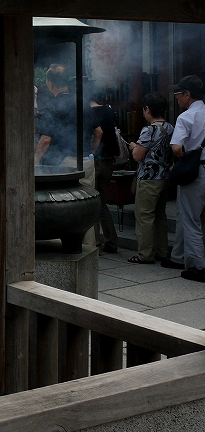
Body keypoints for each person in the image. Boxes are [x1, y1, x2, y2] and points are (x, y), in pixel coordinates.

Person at [128, 92, 174, 265]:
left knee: (145, 216)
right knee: (160, 215)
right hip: (165, 177)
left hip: (148, 178)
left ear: (147, 109)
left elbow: (138, 156)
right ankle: (162, 251)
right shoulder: (170, 127)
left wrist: (133, 147)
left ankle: (145, 254)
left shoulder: (149, 130)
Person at [169, 75, 205, 282]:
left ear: (187, 95)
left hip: (196, 171)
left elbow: (176, 147)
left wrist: (184, 159)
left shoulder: (185, 117)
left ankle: (198, 267)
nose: (177, 98)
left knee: (191, 220)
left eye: (178, 94)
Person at [87, 88, 120, 254]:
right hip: (109, 162)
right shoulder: (108, 110)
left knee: (92, 202)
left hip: (96, 161)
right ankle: (111, 241)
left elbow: (97, 132)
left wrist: (92, 152)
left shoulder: (89, 111)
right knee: (102, 203)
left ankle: (96, 244)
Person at [34, 64, 76, 166]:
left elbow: (46, 140)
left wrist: (34, 162)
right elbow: (97, 131)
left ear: (50, 83)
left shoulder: (51, 106)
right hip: (87, 161)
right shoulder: (83, 102)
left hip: (63, 163)